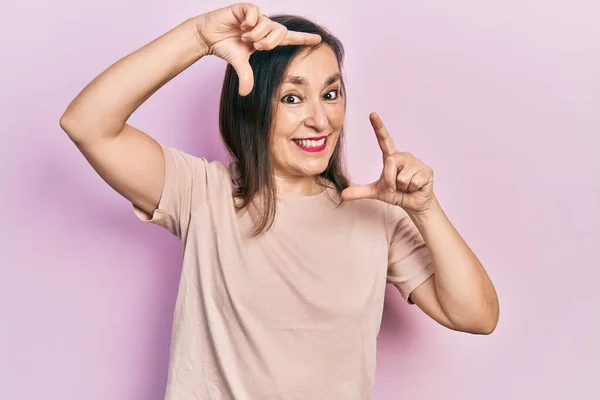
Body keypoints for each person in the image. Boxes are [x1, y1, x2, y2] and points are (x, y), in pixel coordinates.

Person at [59, 3, 499, 399]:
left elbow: (478, 316)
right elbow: (87, 123)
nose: (319, 118)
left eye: (331, 93)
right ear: (251, 106)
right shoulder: (200, 192)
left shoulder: (376, 216)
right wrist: (197, 37)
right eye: (292, 97)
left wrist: (424, 209)